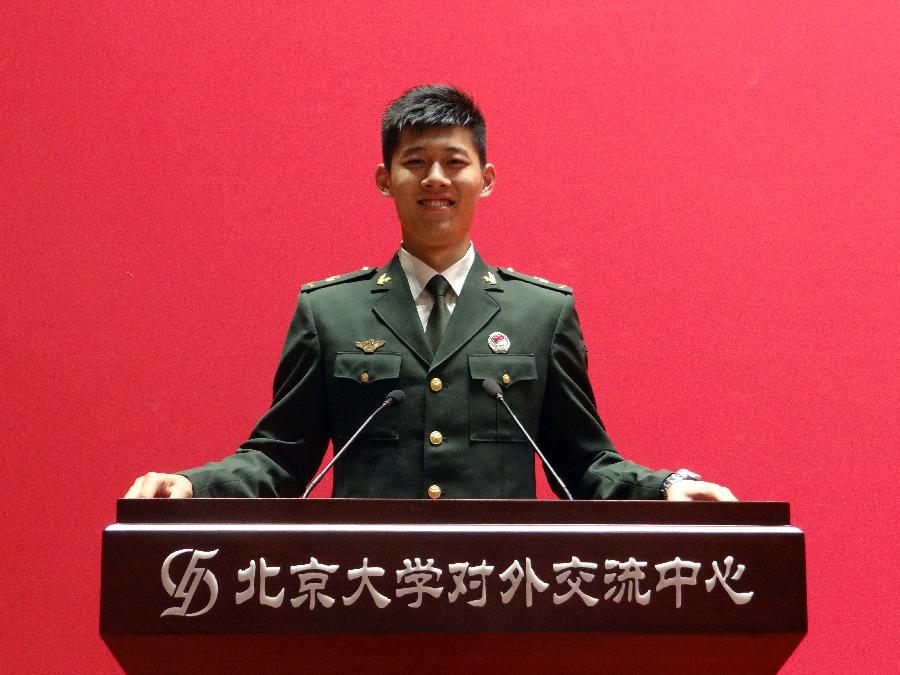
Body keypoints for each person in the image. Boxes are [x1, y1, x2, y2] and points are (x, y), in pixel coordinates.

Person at [125, 84, 735, 502]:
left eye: (454, 162)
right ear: (384, 179)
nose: (436, 178)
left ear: (485, 179)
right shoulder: (330, 312)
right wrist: (194, 486)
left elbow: (581, 462)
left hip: (503, 593)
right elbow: (281, 457)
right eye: (415, 162)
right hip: (368, 590)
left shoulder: (541, 314)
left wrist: (666, 487)